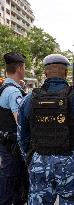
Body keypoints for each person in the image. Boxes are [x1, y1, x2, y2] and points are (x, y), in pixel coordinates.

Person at [18, 54, 74, 205]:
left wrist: (30, 158)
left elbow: (22, 137)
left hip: (39, 164)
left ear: (45, 73)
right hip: (71, 164)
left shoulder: (28, 100)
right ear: (65, 73)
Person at [0, 52, 27, 205]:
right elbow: (21, 122)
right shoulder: (13, 92)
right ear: (19, 68)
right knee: (11, 184)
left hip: (6, 144)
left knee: (7, 181)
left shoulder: (5, 87)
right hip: (13, 147)